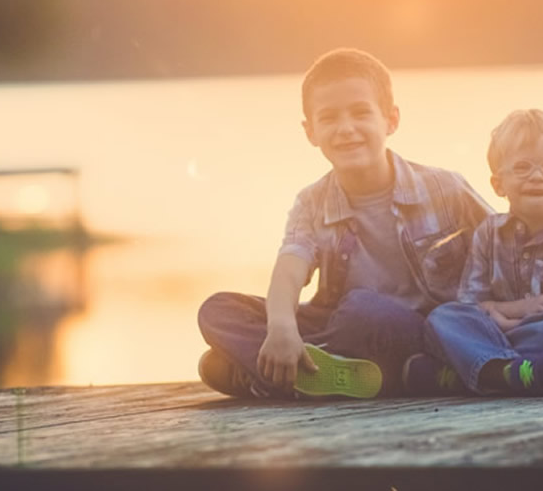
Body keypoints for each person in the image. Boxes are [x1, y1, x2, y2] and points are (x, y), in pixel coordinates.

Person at [196, 48, 492, 399]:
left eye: (361, 113)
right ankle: (320, 370)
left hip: (419, 330)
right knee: (216, 310)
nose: (346, 129)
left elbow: (503, 243)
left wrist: (514, 311)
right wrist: (281, 326)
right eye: (329, 118)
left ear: (391, 120)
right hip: (337, 326)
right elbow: (290, 268)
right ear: (311, 132)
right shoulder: (312, 202)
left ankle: (282, 375)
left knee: (361, 309)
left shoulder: (444, 188)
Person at [408, 109, 543, 396]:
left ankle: (467, 373)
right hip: (493, 329)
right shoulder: (488, 232)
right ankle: (512, 372)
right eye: (522, 167)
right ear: (498, 184)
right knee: (443, 317)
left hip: (540, 333)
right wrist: (512, 312)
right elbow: (471, 304)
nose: (537, 177)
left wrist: (512, 320)